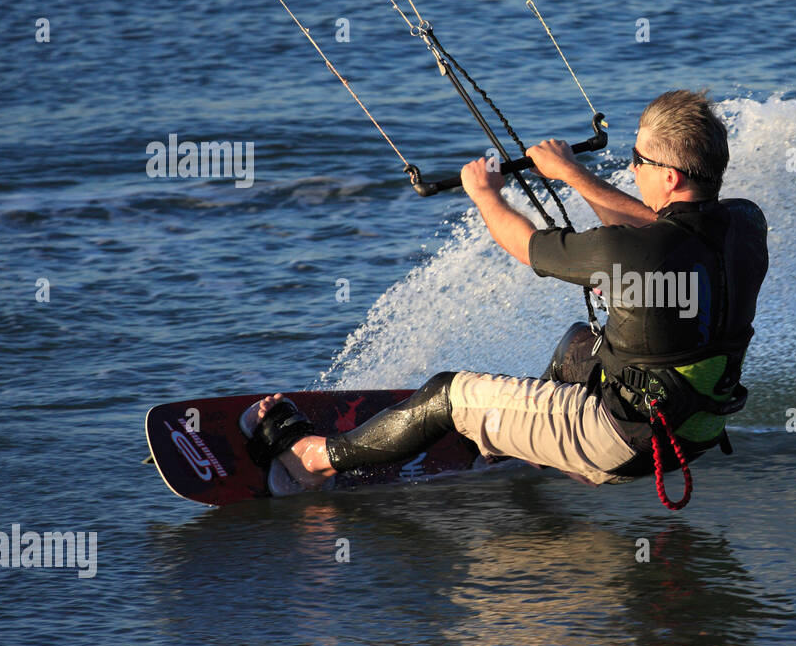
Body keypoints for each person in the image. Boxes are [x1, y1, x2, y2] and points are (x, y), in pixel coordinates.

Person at [241, 90, 769, 503]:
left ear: (671, 176)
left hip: (622, 443)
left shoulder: (632, 250)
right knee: (576, 346)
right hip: (693, 430)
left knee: (448, 393)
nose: (631, 169)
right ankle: (519, 452)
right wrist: (571, 173)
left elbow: (523, 243)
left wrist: (485, 193)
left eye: (638, 159)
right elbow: (659, 231)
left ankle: (310, 461)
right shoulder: (746, 224)